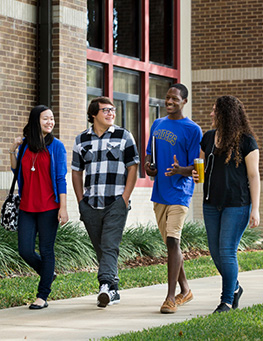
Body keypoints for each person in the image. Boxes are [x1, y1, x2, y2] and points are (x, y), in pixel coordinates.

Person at [192, 95, 260, 313]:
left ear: (226, 115)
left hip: (237, 204)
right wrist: (196, 175)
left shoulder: (247, 141)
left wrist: (256, 209)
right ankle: (236, 288)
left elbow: (253, 176)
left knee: (227, 251)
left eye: (215, 110)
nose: (211, 114)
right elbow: (201, 168)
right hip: (211, 202)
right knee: (215, 251)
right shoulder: (208, 138)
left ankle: (227, 301)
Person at [71, 96, 139, 308]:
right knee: (101, 247)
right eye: (106, 110)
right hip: (90, 203)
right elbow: (76, 171)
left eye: (112, 110)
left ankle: (104, 285)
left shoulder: (124, 136)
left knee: (110, 245)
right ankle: (113, 289)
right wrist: (80, 200)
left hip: (115, 202)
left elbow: (133, 168)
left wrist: (124, 198)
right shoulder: (81, 139)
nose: (111, 113)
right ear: (93, 115)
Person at [145, 83, 202, 313]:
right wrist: (149, 167)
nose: (169, 102)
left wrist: (181, 170)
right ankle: (186, 289)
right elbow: (150, 153)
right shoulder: (157, 124)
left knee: (173, 241)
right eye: (167, 98)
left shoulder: (192, 129)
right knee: (170, 245)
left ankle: (170, 298)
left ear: (184, 102)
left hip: (180, 192)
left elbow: (197, 167)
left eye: (174, 99)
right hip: (159, 192)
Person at [9, 105, 69, 309]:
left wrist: (63, 207)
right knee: (25, 250)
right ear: (36, 121)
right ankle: (47, 272)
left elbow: (61, 178)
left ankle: (42, 296)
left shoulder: (57, 146)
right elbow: (16, 172)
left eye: (52, 119)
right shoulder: (25, 145)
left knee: (46, 250)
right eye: (46, 119)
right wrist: (12, 150)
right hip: (27, 206)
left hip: (49, 207)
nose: (50, 122)